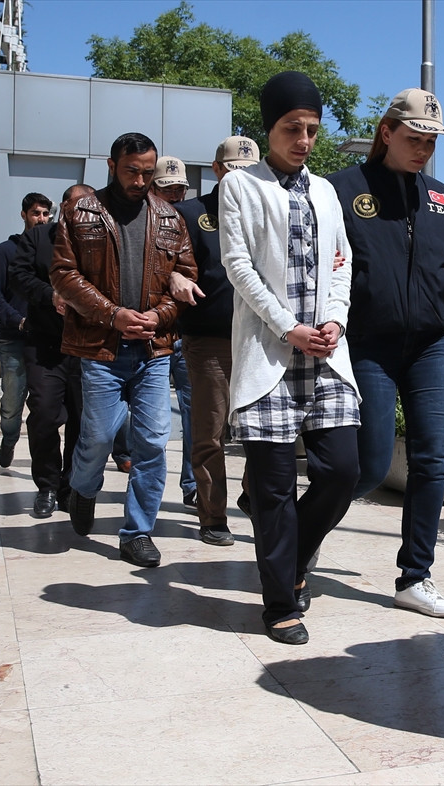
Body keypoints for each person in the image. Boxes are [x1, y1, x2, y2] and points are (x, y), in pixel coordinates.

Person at [219, 71, 360, 646]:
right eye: (291, 128)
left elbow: (342, 263)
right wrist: (289, 328)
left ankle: (292, 557)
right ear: (268, 129)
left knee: (343, 472)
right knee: (273, 489)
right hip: (269, 354)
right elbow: (238, 265)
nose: (303, 140)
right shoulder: (241, 185)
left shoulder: (325, 190)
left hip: (325, 354)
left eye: (312, 130)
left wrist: (334, 321)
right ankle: (280, 602)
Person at [328, 88, 444, 619]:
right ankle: (306, 528)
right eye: (414, 138)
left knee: (432, 462)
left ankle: (415, 577)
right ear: (386, 133)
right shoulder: (340, 190)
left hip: (432, 344)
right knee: (367, 463)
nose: (423, 150)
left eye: (432, 142)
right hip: (369, 343)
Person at [51, 133, 197, 568]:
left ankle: (137, 532)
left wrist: (159, 316)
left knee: (152, 441)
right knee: (97, 437)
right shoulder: (81, 211)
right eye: (132, 171)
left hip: (153, 350)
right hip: (101, 347)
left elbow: (186, 276)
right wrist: (112, 315)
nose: (139, 180)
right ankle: (83, 488)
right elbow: (63, 274)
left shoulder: (170, 217)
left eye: (147, 173)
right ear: (111, 166)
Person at [170, 136, 261, 547]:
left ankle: (255, 497)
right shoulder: (190, 214)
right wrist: (174, 276)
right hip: (210, 339)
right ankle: (212, 516)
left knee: (264, 431)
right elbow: (162, 263)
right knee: (211, 433)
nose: (241, 179)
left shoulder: (268, 212)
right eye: (233, 170)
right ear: (217, 169)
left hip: (260, 340)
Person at [9, 185, 90, 519]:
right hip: (45, 343)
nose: (81, 211)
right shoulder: (38, 237)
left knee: (82, 420)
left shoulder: (100, 240)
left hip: (86, 346)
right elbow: (18, 276)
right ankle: (47, 486)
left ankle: (69, 486)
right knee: (43, 413)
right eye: (75, 205)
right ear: (63, 207)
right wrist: (50, 295)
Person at [0, 193, 52, 468]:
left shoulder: (54, 249)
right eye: (36, 213)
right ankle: (9, 439)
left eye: (46, 214)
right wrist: (18, 320)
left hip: (45, 340)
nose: (41, 219)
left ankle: (42, 458)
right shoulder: (5, 251)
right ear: (24, 215)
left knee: (43, 403)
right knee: (12, 401)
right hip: (14, 338)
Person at [152, 156, 198, 511]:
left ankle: (192, 484)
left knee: (195, 414)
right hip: (150, 336)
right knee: (150, 423)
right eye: (168, 189)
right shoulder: (141, 224)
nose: (175, 196)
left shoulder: (195, 223)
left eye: (180, 189)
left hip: (188, 337)